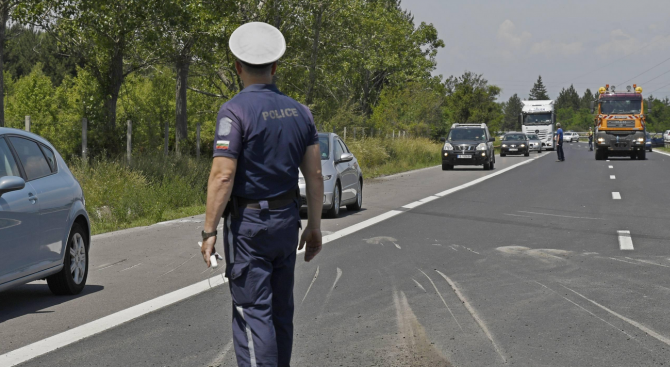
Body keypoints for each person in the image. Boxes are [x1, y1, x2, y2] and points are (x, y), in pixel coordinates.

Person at [200, 22, 324, 367]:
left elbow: (223, 176)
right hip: (287, 223)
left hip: (249, 226)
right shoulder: (301, 112)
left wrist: (209, 232)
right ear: (275, 67)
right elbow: (314, 174)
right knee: (281, 313)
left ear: (237, 67)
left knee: (253, 314)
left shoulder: (234, 111)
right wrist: (314, 226)